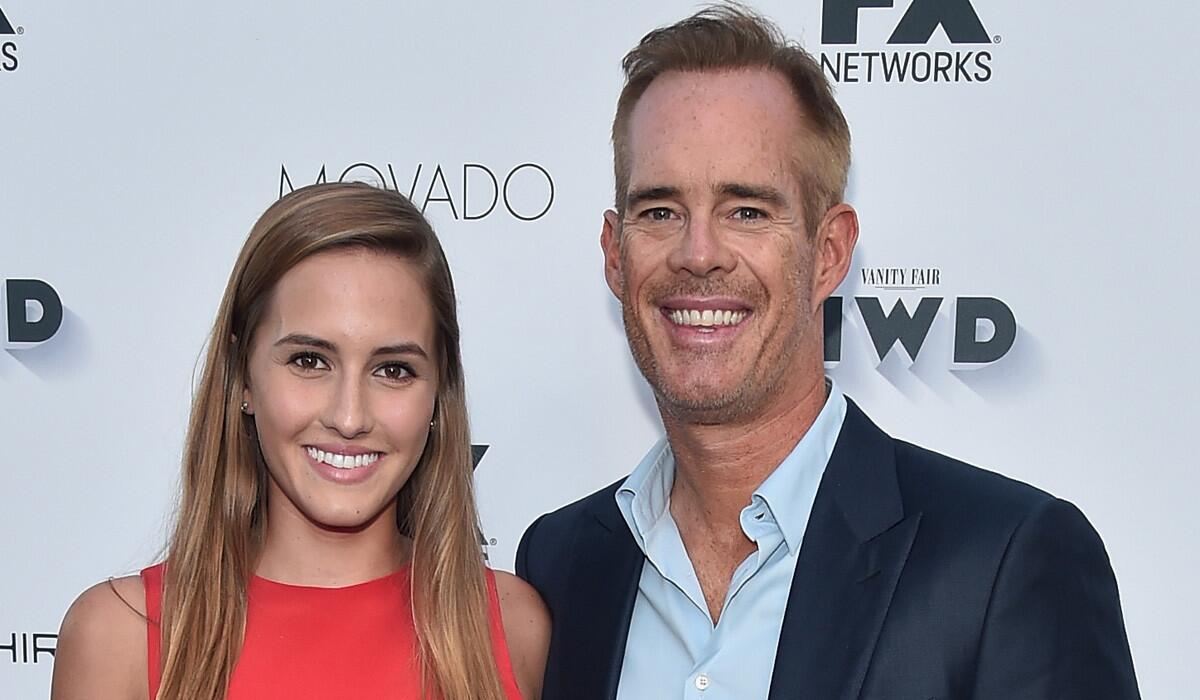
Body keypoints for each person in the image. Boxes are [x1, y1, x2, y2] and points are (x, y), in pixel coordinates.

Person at [516, 5, 1139, 700]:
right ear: (614, 253)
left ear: (830, 253)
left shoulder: (1002, 559)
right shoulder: (561, 564)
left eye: (746, 211)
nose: (698, 254)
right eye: (660, 211)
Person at [51, 183, 549, 700]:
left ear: (438, 394)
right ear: (242, 377)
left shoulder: (514, 630)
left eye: (393, 369)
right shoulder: (121, 636)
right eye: (309, 361)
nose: (349, 416)